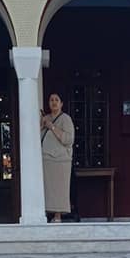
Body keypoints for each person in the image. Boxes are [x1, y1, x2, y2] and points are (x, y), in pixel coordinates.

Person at [41, 92, 74, 223]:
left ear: (61, 103)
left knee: (60, 189)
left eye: (56, 100)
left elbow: (68, 139)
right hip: (46, 158)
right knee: (47, 189)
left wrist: (52, 127)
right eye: (51, 100)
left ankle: (58, 216)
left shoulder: (66, 119)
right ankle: (46, 213)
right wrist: (43, 125)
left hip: (61, 160)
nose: (54, 102)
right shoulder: (45, 118)